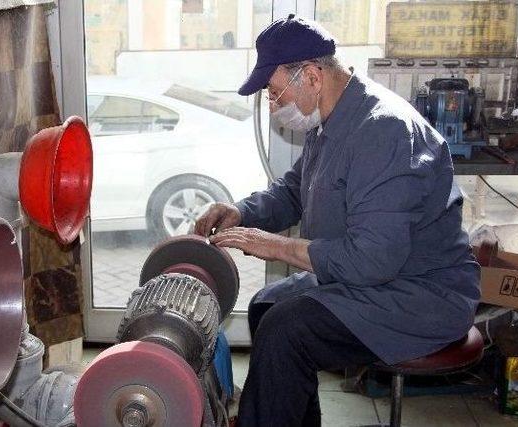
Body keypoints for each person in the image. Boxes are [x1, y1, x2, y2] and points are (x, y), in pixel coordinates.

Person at [194, 14, 480, 427]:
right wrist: (241, 211)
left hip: (421, 294)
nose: (274, 107)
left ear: (311, 76)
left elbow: (371, 261)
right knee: (267, 305)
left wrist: (277, 247)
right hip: (377, 279)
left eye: (274, 94)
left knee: (286, 330)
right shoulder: (331, 122)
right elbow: (296, 191)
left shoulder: (384, 132)